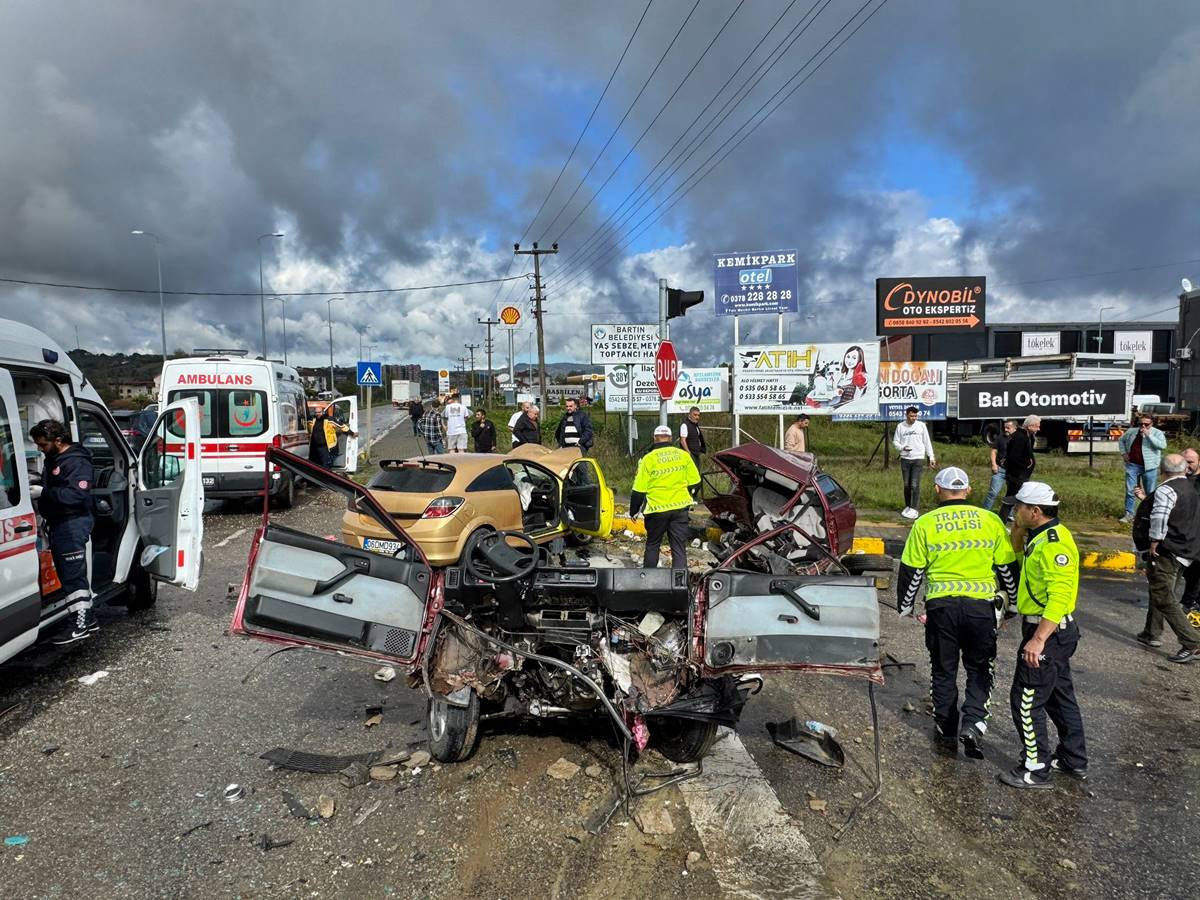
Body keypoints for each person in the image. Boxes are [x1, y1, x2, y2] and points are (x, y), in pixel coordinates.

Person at [897, 467, 1019, 755]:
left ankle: (947, 727)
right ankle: (974, 723)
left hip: (941, 607)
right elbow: (1007, 568)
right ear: (968, 490)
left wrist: (906, 606)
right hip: (980, 608)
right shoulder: (990, 521)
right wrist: (1012, 605)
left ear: (937, 490)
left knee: (943, 669)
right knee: (980, 668)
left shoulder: (925, 523)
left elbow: (912, 570)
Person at [999, 481, 1088, 789]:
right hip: (1050, 630)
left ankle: (1035, 769)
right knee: (1059, 697)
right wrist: (1017, 531)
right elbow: (1020, 561)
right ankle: (1072, 758)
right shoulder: (1038, 537)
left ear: (1034, 511)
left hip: (1048, 632)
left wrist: (1038, 639)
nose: (1013, 511)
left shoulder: (1054, 545)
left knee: (1026, 700)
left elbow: (1060, 595)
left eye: (1019, 508)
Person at [30, 420, 98, 644]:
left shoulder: (77, 462)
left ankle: (80, 625)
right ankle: (89, 618)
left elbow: (76, 496)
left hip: (72, 524)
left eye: (43, 444)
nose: (40, 448)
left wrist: (44, 493)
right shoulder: (55, 459)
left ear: (58, 441)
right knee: (70, 573)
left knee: (72, 577)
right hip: (60, 523)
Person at [1133, 454, 1200, 663]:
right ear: (1184, 469)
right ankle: (1151, 632)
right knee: (1160, 589)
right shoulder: (1190, 487)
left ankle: (1192, 642)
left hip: (1168, 550)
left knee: (1164, 596)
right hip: (1186, 550)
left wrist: (1154, 541)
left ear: (1162, 471)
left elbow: (1159, 516)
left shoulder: (1166, 489)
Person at [630, 424, 701, 569]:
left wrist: (633, 511)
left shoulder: (647, 459)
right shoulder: (684, 455)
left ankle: (649, 580)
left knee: (653, 544)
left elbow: (638, 490)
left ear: (655, 439)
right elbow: (696, 482)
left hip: (656, 509)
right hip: (680, 509)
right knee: (679, 547)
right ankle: (679, 584)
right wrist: (689, 496)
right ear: (670, 438)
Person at [1118, 414, 1167, 524]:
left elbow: (1162, 446)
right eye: (1141, 424)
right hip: (1133, 465)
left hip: (1150, 467)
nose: (1143, 426)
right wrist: (1124, 453)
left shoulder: (1157, 433)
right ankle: (1129, 514)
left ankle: (1149, 514)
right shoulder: (1132, 431)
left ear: (1152, 424)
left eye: (1146, 424)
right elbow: (1121, 440)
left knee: (1150, 493)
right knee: (1130, 491)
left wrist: (1148, 435)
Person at [892, 406, 936, 519]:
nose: (913, 418)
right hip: (905, 459)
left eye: (915, 416)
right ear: (906, 415)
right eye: (911, 416)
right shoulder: (900, 426)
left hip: (918, 458)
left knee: (914, 484)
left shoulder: (921, 426)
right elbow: (895, 442)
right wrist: (902, 447)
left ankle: (915, 508)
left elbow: (927, 441)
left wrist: (931, 457)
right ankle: (908, 506)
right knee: (906, 485)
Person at [1000, 415, 1040, 523]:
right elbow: (1013, 457)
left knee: (1014, 499)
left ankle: (1011, 521)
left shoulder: (1026, 436)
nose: (1039, 429)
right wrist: (1027, 464)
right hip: (1016, 475)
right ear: (1030, 425)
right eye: (1037, 426)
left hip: (1021, 475)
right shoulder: (1020, 437)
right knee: (1011, 499)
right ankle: (1003, 522)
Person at [983, 420, 1017, 511]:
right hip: (1000, 470)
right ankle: (985, 511)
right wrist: (994, 465)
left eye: (1008, 428)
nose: (1005, 429)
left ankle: (1009, 514)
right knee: (992, 493)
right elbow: (994, 451)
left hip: (1013, 472)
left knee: (1013, 495)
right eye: (1005, 427)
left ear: (1015, 428)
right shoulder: (1000, 438)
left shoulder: (1019, 439)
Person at [309, 404, 356, 469]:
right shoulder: (312, 420)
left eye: (319, 412)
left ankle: (325, 478)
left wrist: (352, 433)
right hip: (314, 447)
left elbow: (341, 426)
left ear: (323, 412)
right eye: (316, 412)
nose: (317, 414)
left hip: (325, 447)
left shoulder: (329, 420)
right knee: (314, 466)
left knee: (325, 466)